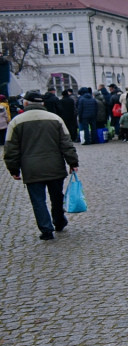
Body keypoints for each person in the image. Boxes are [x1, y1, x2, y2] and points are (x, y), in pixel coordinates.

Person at [3, 90, 79, 240]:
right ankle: (59, 221)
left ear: (25, 103)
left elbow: (11, 148)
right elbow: (66, 143)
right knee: (57, 196)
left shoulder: (16, 122)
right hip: (55, 165)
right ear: (42, 103)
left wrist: (13, 169)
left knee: (38, 200)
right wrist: (72, 162)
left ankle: (46, 229)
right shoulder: (55, 119)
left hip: (31, 168)